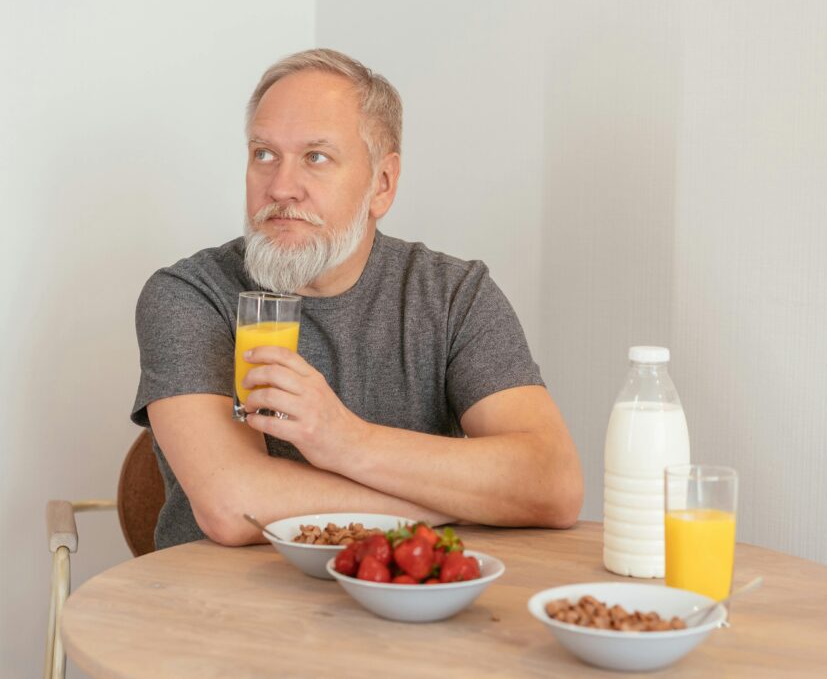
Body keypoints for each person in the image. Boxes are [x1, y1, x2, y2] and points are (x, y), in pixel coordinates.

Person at [132, 48, 583, 549]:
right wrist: (449, 500)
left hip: (403, 608)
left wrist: (345, 440)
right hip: (216, 613)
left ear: (382, 185)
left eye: (315, 157)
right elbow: (234, 506)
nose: (281, 187)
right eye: (264, 154)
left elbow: (552, 483)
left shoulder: (453, 295)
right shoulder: (189, 294)